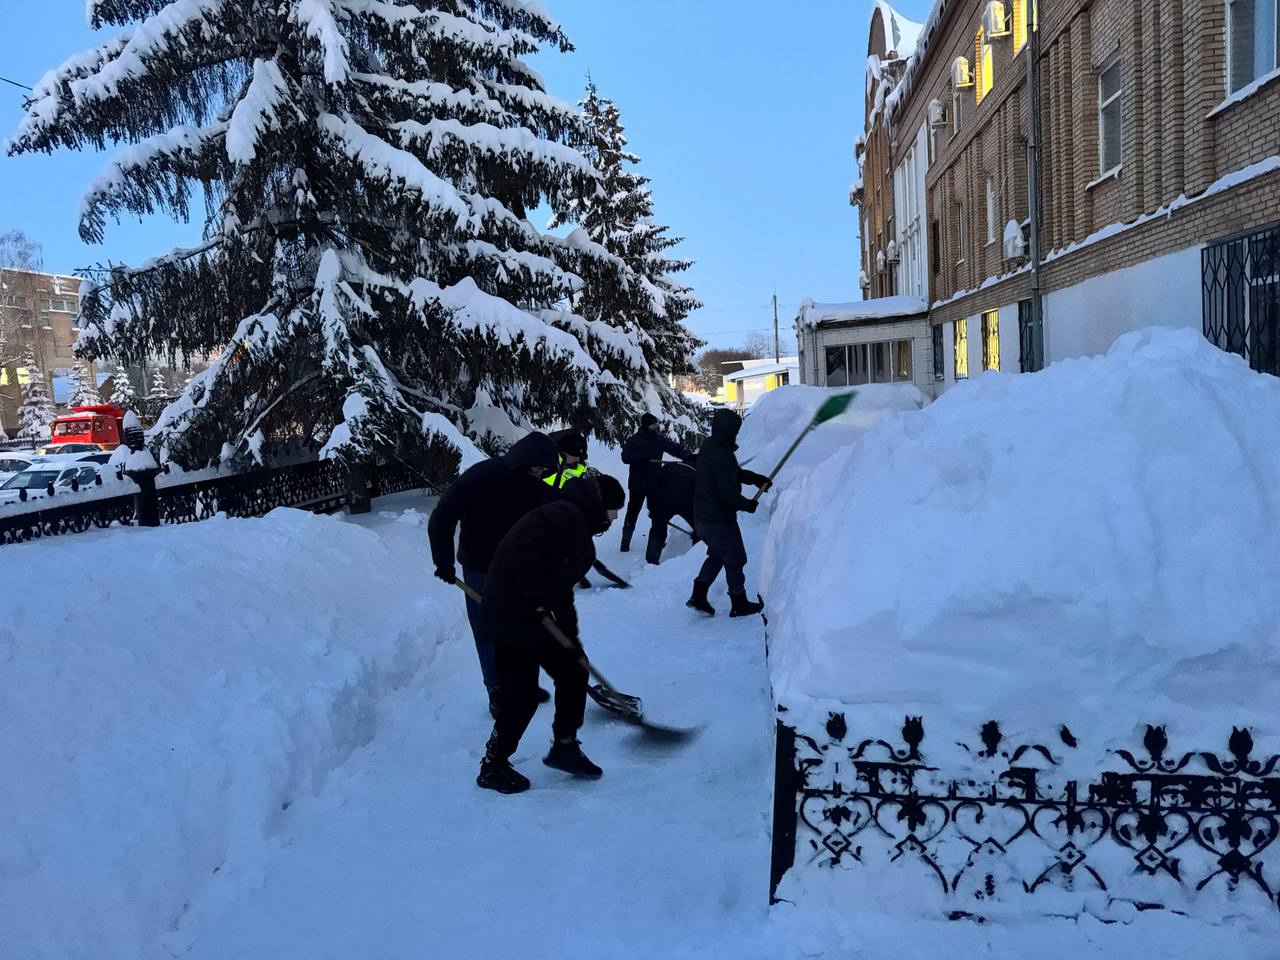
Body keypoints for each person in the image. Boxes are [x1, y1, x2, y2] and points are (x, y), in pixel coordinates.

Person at [477, 473, 628, 794]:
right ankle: (492, 766)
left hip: (533, 614)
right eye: (614, 511)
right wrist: (535, 601)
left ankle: (565, 746)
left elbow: (561, 589)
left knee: (574, 668)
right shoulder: (561, 514)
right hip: (510, 616)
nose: (614, 519)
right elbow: (520, 549)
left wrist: (570, 635)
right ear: (600, 504)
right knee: (522, 697)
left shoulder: (576, 527)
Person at [428, 432, 559, 713]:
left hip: (519, 569)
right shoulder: (482, 476)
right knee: (489, 633)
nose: (541, 474)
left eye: (545, 470)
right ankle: (497, 690)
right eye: (538, 468)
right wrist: (444, 562)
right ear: (524, 460)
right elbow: (443, 515)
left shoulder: (537, 486)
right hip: (481, 569)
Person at [687, 409, 770, 618]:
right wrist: (747, 505)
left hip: (703, 518)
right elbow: (728, 495)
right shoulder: (723, 455)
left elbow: (729, 474)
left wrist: (755, 478)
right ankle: (738, 602)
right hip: (719, 520)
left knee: (717, 553)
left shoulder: (710, 447)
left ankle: (698, 595)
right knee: (735, 557)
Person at [619, 413, 694, 553]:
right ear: (647, 426)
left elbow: (674, 448)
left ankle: (656, 541)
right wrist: (640, 457)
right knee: (633, 512)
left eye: (656, 424)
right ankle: (625, 541)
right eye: (654, 424)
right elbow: (625, 457)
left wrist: (688, 456)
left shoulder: (658, 440)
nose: (657, 426)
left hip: (655, 484)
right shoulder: (634, 440)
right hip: (637, 484)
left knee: (657, 512)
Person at [643, 459, 698, 566]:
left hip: (663, 500)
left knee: (657, 530)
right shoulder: (695, 472)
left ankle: (651, 563)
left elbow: (651, 488)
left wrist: (652, 509)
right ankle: (697, 558)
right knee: (701, 528)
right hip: (687, 501)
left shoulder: (666, 468)